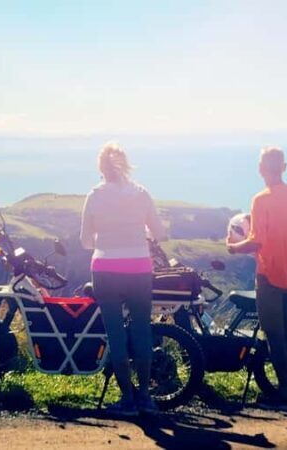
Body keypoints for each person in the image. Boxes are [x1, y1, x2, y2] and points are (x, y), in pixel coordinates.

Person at [227, 147, 287, 407]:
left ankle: (285, 393)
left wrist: (233, 247)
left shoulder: (261, 199)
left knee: (274, 336)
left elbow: (256, 241)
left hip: (269, 276)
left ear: (260, 169)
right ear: (284, 167)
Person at [80, 141, 167, 416]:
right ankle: (145, 397)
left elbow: (84, 241)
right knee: (143, 330)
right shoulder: (141, 193)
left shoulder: (94, 196)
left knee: (115, 335)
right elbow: (160, 233)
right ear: (126, 165)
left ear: (101, 168)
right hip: (140, 269)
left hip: (105, 268)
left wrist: (104, 238)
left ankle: (127, 399)